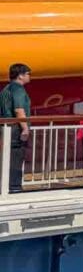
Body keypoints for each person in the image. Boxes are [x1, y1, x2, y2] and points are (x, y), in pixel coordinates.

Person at [0, 63, 32, 193]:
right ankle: (14, 187)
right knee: (16, 156)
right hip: (14, 128)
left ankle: (4, 186)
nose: (30, 77)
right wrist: (25, 128)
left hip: (5, 127)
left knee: (5, 157)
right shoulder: (18, 89)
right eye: (28, 74)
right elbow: (19, 110)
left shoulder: (6, 88)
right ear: (20, 76)